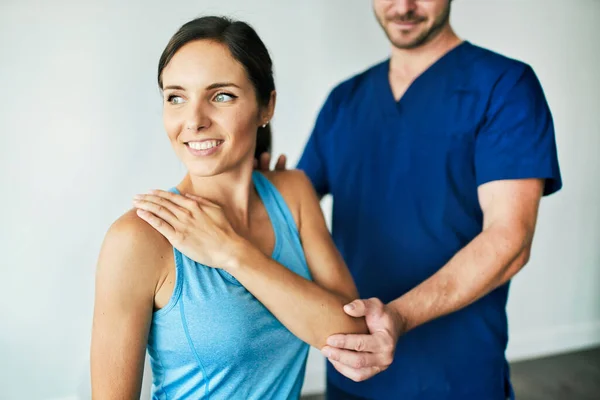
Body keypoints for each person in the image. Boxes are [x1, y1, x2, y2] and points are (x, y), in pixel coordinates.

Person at [259, 0, 563, 399]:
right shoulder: (344, 101)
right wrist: (254, 187)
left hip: (455, 377)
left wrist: (397, 317)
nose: (403, 6)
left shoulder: (504, 86)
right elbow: (291, 211)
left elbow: (510, 239)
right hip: (352, 369)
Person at [90, 16, 368, 400]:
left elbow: (354, 336)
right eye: (176, 97)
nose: (194, 120)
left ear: (266, 106)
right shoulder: (138, 240)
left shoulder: (292, 193)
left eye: (221, 96)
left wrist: (232, 253)